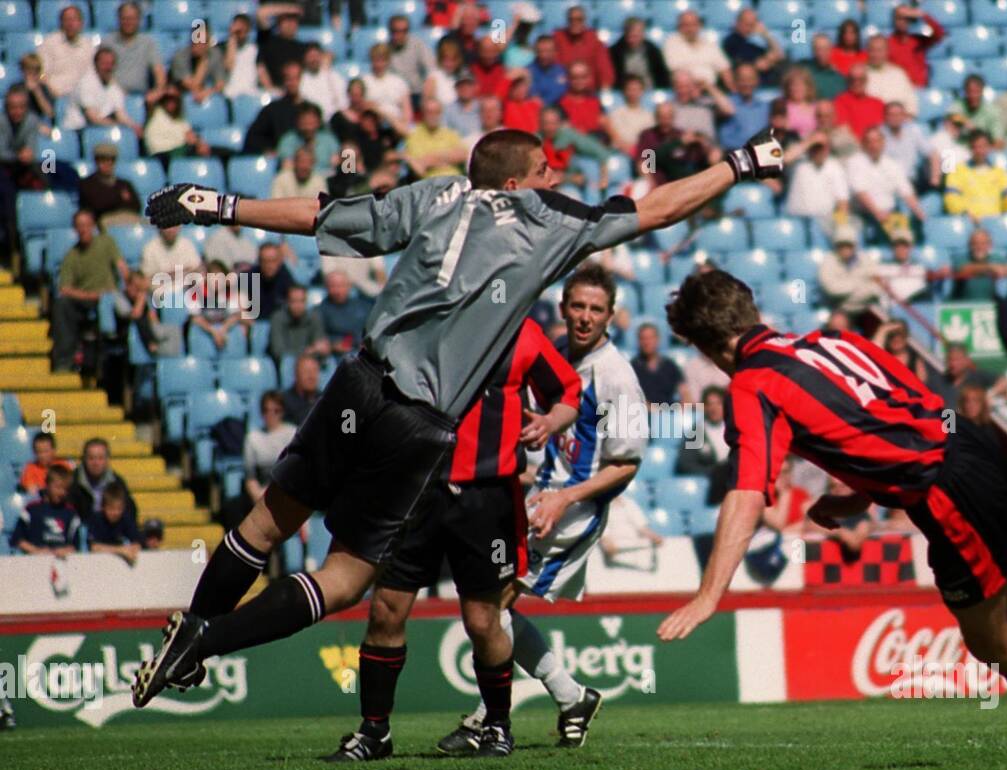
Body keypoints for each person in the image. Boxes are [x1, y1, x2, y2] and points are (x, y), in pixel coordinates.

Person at [131, 123, 785, 716]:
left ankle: (189, 630)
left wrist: (218, 204)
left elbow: (322, 215)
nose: (554, 180)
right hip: (415, 425)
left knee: (263, 524)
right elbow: (660, 207)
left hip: (357, 382)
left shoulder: (434, 195)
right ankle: (205, 643)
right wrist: (742, 162)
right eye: (544, 171)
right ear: (514, 184)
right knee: (347, 578)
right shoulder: (547, 218)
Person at [659, 269, 1007, 770]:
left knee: (991, 639)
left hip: (945, 495)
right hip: (970, 447)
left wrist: (708, 595)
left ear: (707, 348)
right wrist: (859, 497)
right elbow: (898, 414)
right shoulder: (832, 340)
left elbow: (746, 494)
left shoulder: (752, 386)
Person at [329, 309, 580, 761]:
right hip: (411, 489)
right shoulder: (419, 320)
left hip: (487, 498)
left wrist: (549, 422)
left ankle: (498, 728)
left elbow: (566, 394)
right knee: (386, 611)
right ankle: (373, 733)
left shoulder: (519, 329)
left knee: (484, 620)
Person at [431, 264, 645, 757]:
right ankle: (571, 699)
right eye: (578, 306)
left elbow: (626, 465)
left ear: (611, 316)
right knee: (491, 608)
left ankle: (488, 718)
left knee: (490, 607)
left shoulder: (618, 378)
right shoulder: (559, 360)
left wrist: (564, 498)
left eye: (596, 309)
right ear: (564, 308)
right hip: (538, 499)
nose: (585, 317)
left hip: (572, 513)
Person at [51, 209, 129, 373]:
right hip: (86, 299)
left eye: (87, 225)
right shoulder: (72, 255)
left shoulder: (107, 243)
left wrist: (128, 284)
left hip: (110, 296)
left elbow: (121, 266)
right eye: (80, 226)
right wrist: (91, 295)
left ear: (93, 226)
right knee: (61, 305)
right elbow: (65, 288)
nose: (83, 229)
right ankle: (64, 360)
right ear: (75, 229)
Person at [242, 390, 297, 512]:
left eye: (276, 410)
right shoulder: (252, 438)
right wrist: (259, 497)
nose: (271, 414)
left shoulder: (292, 433)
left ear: (282, 412)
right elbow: (250, 477)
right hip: (263, 493)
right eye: (266, 410)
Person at [65, 47, 142, 135]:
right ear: (96, 64)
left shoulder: (113, 87)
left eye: (111, 64)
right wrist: (120, 126)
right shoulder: (86, 83)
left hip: (100, 130)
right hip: (79, 130)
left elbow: (120, 114)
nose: (108, 67)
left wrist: (133, 126)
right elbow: (93, 118)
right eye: (104, 64)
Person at [9, 464, 79, 557]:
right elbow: (17, 539)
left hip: (61, 562)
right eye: (58, 487)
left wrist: (65, 550)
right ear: (47, 485)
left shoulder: (71, 513)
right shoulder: (32, 509)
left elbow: (75, 545)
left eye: (65, 489)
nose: (61, 493)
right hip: (34, 561)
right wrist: (36, 551)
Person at [103, 2, 166, 104]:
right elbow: (102, 72)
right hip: (112, 96)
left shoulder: (148, 43)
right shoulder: (108, 43)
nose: (128, 22)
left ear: (139, 20)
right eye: (125, 18)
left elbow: (158, 70)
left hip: (141, 97)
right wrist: (116, 90)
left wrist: (158, 90)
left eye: (132, 18)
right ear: (118, 19)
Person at [943, 130, 1007, 222]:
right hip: (969, 223)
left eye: (983, 146)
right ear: (970, 148)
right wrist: (965, 214)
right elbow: (951, 198)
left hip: (996, 222)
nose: (980, 151)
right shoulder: (957, 171)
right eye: (976, 147)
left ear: (990, 147)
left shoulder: (1000, 172)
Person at [818, 224, 881, 320]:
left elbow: (877, 288)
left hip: (864, 308)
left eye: (848, 245)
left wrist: (848, 290)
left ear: (854, 245)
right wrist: (860, 283)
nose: (845, 248)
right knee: (838, 322)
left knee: (886, 324)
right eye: (841, 245)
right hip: (839, 309)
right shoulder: (828, 260)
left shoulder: (866, 259)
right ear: (836, 246)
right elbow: (832, 290)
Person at [244, 61, 305, 154]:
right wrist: (268, 149)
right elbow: (253, 137)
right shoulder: (272, 110)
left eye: (296, 78)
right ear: (283, 81)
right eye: (289, 79)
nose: (292, 83)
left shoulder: (309, 110)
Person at [664, 10, 733, 91]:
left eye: (694, 24)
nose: (690, 29)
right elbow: (675, 71)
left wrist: (732, 88)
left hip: (711, 90)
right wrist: (700, 83)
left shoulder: (709, 44)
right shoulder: (672, 42)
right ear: (679, 26)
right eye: (686, 25)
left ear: (699, 26)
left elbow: (725, 69)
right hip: (686, 90)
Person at [70, 437, 136, 522]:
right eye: (91, 458)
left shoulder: (116, 482)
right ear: (84, 459)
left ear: (107, 460)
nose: (96, 463)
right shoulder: (73, 482)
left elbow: (130, 510)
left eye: (100, 458)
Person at [39, 4, 95, 99]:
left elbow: (93, 75)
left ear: (81, 23)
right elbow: (41, 74)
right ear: (61, 23)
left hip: (82, 98)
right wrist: (51, 91)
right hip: (54, 96)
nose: (70, 24)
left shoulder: (89, 46)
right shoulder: (49, 43)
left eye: (74, 20)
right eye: (67, 20)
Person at [552, 4, 615, 90]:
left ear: (585, 20)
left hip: (589, 92)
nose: (574, 23)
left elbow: (604, 69)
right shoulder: (558, 38)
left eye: (579, 19)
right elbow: (554, 66)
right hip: (564, 90)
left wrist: (605, 86)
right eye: (571, 19)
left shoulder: (594, 40)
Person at [402, 98, 467, 178]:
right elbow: (420, 168)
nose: (433, 116)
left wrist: (435, 157)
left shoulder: (449, 133)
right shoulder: (414, 135)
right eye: (429, 112)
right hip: (430, 185)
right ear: (423, 113)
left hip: (454, 181)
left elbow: (463, 155)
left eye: (437, 112)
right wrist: (448, 158)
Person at [144, 85, 212, 161]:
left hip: (179, 151)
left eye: (175, 99)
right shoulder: (155, 111)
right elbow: (149, 98)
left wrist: (200, 144)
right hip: (160, 153)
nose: (171, 102)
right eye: (168, 99)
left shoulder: (181, 119)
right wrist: (167, 92)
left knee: (218, 152)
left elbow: (190, 136)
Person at [76, 142, 137, 224]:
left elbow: (136, 206)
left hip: (127, 218)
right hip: (103, 221)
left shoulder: (124, 184)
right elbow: (97, 207)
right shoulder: (87, 184)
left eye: (111, 160)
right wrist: (119, 198)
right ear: (96, 162)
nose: (107, 163)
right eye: (103, 160)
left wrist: (110, 200)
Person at [887, 4, 947, 88]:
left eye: (907, 18)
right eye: (899, 18)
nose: (903, 21)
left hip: (919, 89)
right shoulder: (887, 43)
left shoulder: (918, 41)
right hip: (898, 89)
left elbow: (939, 34)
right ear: (894, 20)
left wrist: (922, 15)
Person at [170, 19, 228, 102]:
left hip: (204, 94)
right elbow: (193, 85)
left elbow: (220, 84)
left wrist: (207, 92)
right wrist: (204, 60)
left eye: (203, 40)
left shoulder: (215, 54)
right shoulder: (179, 57)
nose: (198, 44)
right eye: (196, 40)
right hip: (181, 98)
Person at [88, 480, 143, 565]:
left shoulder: (126, 519)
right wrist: (121, 550)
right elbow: (94, 548)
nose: (115, 513)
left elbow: (137, 544)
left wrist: (131, 549)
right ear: (103, 507)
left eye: (119, 509)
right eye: (111, 509)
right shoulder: (96, 520)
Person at [722, 7, 783, 85]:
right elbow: (759, 64)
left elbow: (779, 55)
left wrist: (765, 34)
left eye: (752, 25)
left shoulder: (749, 44)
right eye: (747, 24)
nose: (749, 28)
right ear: (737, 23)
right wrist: (768, 60)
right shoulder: (730, 42)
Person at [269, 285, 330, 363]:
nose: (298, 305)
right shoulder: (277, 318)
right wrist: (308, 351)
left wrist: (321, 349)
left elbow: (319, 346)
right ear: (287, 302)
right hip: (284, 365)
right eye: (293, 301)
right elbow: (278, 352)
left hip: (310, 363)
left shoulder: (314, 317)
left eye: (302, 301)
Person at [950, 227, 1007, 303]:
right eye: (975, 243)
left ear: (990, 245)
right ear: (969, 245)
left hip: (990, 305)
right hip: (962, 306)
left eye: (983, 243)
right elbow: (963, 270)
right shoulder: (960, 258)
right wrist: (990, 268)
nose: (979, 247)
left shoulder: (997, 258)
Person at [940, 341, 1007, 410]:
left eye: (957, 360)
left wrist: (990, 395)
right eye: (950, 360)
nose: (953, 364)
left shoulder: (977, 377)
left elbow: (1004, 381)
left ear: (966, 360)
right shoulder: (941, 380)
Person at [632, 322, 688, 405]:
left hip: (669, 413)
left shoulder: (670, 366)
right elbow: (632, 398)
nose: (647, 342)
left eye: (650, 338)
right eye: (643, 338)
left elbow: (684, 392)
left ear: (657, 339)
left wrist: (684, 405)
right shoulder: (632, 368)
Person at [609, 16, 670, 90]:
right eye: (630, 36)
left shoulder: (653, 51)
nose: (633, 40)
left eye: (636, 36)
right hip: (625, 92)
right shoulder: (614, 52)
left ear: (643, 34)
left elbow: (663, 77)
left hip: (649, 91)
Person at [316, 271, 370, 353]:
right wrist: (333, 345)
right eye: (333, 286)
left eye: (341, 286)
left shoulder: (363, 307)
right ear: (326, 287)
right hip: (333, 354)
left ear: (349, 286)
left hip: (360, 351)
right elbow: (319, 338)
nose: (337, 291)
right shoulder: (318, 311)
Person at [864, 36, 916, 118]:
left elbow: (911, 106)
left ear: (887, 51)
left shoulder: (899, 74)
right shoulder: (860, 75)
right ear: (867, 51)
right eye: (872, 50)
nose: (876, 54)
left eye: (880, 50)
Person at [834, 63, 885, 140]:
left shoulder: (878, 103)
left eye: (861, 79)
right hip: (854, 147)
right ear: (848, 80)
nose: (856, 83)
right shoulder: (840, 101)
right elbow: (843, 131)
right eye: (852, 79)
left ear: (866, 80)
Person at [948, 74, 1001, 145]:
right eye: (970, 91)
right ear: (965, 92)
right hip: (960, 149)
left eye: (976, 92)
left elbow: (998, 140)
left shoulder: (992, 111)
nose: (973, 95)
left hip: (981, 151)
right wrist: (965, 123)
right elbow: (951, 116)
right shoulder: (959, 105)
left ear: (982, 91)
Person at [281, 354, 323, 426]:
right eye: (306, 371)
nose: (311, 376)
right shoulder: (283, 402)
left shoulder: (324, 399)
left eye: (314, 371)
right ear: (296, 374)